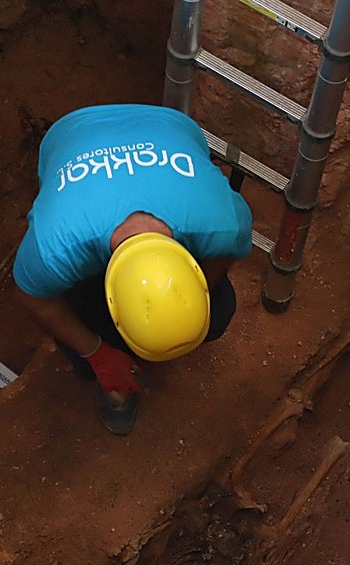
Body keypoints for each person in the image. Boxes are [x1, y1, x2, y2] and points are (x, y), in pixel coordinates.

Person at [13, 103, 254, 435]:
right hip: (69, 135)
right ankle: (109, 379)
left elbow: (223, 256)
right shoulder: (54, 248)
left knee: (219, 308)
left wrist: (194, 298)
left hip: (169, 124)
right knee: (80, 331)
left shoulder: (224, 224)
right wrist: (98, 355)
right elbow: (34, 297)